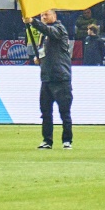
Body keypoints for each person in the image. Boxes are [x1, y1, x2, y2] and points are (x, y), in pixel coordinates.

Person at [30, 10, 74, 150]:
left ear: (54, 16)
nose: (43, 17)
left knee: (64, 112)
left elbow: (50, 31)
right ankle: (47, 140)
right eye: (41, 15)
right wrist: (40, 59)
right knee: (45, 112)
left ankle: (67, 140)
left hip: (60, 77)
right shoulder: (44, 35)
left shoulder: (59, 29)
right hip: (47, 78)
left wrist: (32, 21)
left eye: (46, 14)